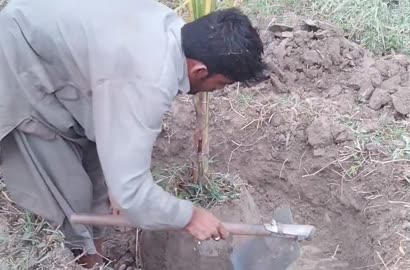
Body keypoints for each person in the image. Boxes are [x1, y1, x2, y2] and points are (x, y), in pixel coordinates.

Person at [0, 0, 266, 268]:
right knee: (71, 197)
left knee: (99, 183)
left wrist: (121, 183)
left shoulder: (171, 30)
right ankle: (87, 261)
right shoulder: (147, 77)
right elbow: (133, 195)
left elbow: (124, 134)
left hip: (65, 51)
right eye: (221, 85)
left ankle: (98, 256)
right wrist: (190, 216)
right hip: (21, 52)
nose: (217, 91)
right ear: (200, 70)